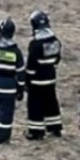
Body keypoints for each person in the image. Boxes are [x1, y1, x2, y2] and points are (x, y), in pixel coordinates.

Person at [25, 10, 63, 140]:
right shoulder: (55, 41)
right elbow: (57, 59)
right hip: (50, 78)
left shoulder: (35, 44)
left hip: (37, 81)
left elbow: (31, 65)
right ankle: (55, 127)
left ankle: (36, 131)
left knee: (35, 105)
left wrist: (27, 80)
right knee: (51, 102)